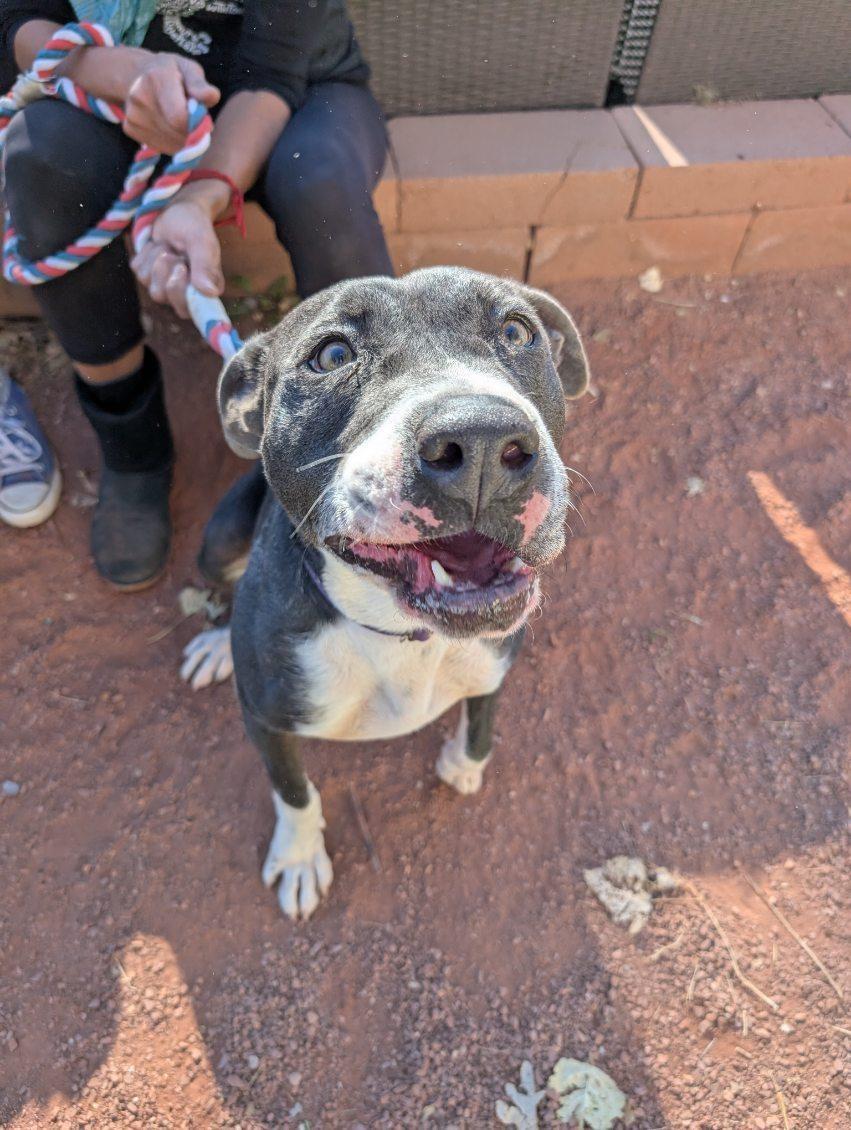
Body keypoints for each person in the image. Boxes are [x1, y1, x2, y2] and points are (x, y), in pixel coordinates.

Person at [0, 0, 393, 586]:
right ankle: (133, 445)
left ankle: (369, 436)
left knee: (322, 181)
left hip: (291, 92)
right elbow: (17, 22)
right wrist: (121, 71)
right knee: (44, 159)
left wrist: (199, 196)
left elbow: (273, 73)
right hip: (112, 88)